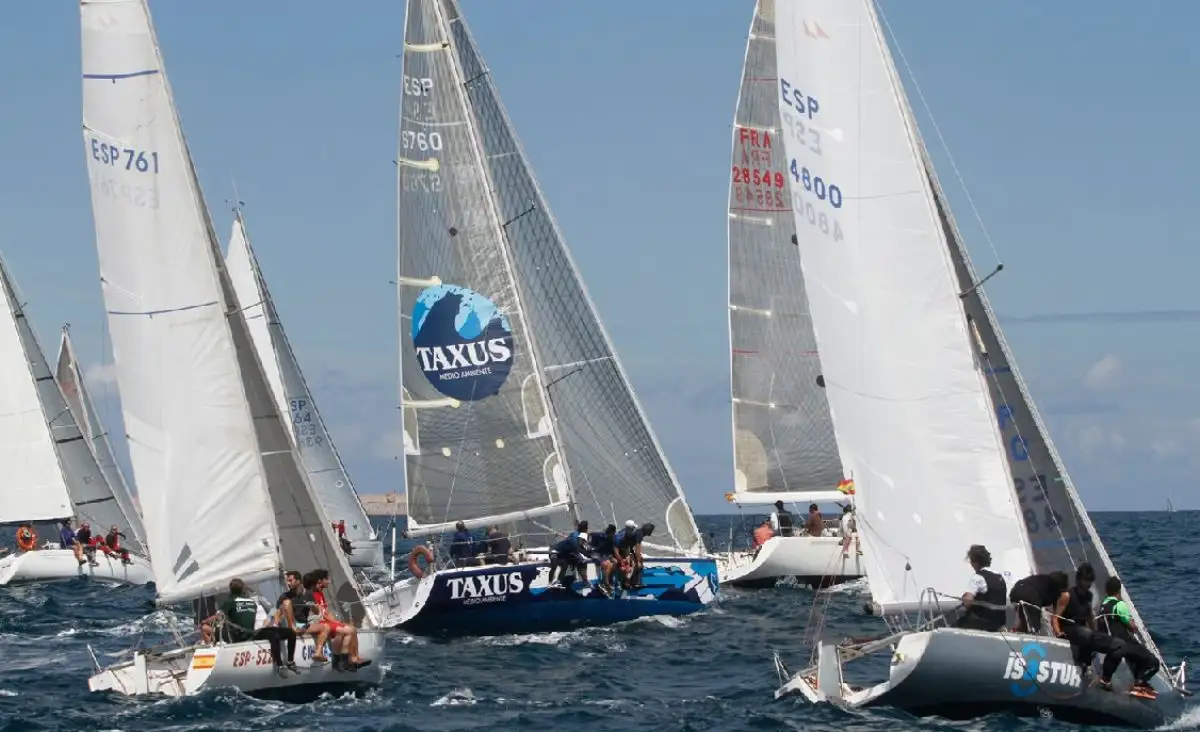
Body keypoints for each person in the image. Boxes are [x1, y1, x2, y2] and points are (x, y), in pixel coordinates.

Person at [1052, 563, 1122, 675]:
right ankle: (1083, 662)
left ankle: (1105, 677)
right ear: (1079, 580)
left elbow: (1089, 617)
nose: (1087, 584)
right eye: (1085, 580)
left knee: (1117, 643)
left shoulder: (1088, 596)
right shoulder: (1067, 595)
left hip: (1083, 631)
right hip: (1069, 629)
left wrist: (1098, 633)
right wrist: (1058, 633)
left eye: (1089, 581)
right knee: (1086, 633)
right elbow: (1055, 618)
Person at [1096, 576, 1159, 697]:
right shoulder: (1119, 605)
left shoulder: (1102, 606)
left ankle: (1108, 679)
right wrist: (1133, 626)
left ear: (1107, 591)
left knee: (1136, 658)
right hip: (1124, 643)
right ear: (1119, 591)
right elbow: (1133, 627)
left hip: (1109, 643)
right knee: (1153, 662)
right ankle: (1140, 683)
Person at [311, 569, 370, 671]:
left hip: (326, 621)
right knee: (350, 630)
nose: (329, 582)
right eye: (327, 579)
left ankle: (353, 657)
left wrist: (336, 621)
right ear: (320, 581)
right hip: (321, 623)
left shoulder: (320, 593)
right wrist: (334, 622)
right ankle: (347, 659)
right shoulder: (314, 594)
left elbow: (326, 611)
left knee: (352, 628)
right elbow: (321, 614)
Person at [956, 544, 1007, 632]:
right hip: (998, 623)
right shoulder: (1000, 577)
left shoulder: (978, 577)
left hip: (981, 624)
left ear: (975, 562)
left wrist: (964, 599)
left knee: (955, 625)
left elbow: (968, 600)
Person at [549, 521, 590, 587]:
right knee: (579, 561)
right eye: (587, 528)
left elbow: (581, 547)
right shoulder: (575, 537)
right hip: (560, 552)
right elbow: (577, 549)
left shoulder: (579, 535)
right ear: (585, 529)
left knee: (580, 561)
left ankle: (584, 581)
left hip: (567, 552)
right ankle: (556, 581)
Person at [588, 524, 618, 595]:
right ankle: (605, 583)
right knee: (606, 564)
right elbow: (589, 534)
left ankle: (609, 580)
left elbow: (610, 550)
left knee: (614, 563)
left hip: (604, 554)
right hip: (595, 553)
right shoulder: (599, 535)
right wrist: (587, 543)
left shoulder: (612, 538)